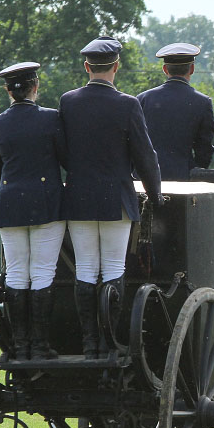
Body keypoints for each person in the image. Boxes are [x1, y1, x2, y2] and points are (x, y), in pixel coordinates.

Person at [59, 36, 163, 358]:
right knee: (115, 267)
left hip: (78, 197)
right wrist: (156, 195)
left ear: (87, 67)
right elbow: (146, 156)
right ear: (116, 67)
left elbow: (63, 152)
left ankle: (90, 343)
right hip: (116, 197)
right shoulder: (128, 104)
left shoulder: (68, 101)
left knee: (87, 269)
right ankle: (109, 342)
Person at [0, 61, 67, 360]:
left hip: (9, 202)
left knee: (17, 272)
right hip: (46, 201)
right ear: (36, 86)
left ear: (8, 90)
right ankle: (40, 345)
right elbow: (64, 158)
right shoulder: (51, 118)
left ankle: (20, 346)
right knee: (43, 272)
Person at [137, 43, 214, 180]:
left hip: (145, 178)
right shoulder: (203, 102)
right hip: (183, 178)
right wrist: (196, 172)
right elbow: (205, 149)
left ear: (164, 69)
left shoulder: (143, 99)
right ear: (191, 69)